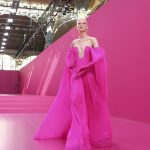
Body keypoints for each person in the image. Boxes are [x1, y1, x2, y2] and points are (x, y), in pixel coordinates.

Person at [34, 17, 112, 150]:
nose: (81, 25)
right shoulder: (73, 42)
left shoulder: (93, 40)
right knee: (77, 104)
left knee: (92, 105)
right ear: (76, 26)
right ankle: (78, 138)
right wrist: (74, 68)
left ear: (87, 26)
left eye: (83, 23)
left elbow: (99, 58)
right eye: (79, 24)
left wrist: (87, 67)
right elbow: (69, 62)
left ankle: (94, 135)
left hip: (89, 77)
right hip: (76, 77)